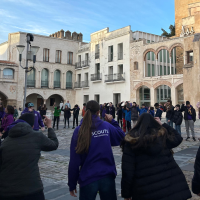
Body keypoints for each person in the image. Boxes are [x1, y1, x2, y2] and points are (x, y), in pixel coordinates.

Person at [121, 113, 192, 200]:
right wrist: (163, 125)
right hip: (170, 185)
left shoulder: (131, 142)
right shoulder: (162, 138)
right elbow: (177, 137)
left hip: (146, 189)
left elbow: (127, 171)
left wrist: (126, 193)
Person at [68, 100, 125, 200]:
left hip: (88, 176)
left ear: (85, 110)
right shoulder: (106, 126)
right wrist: (113, 122)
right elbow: (121, 136)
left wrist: (72, 183)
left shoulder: (79, 130)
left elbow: (74, 160)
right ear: (98, 112)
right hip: (107, 175)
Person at [0, 113, 59, 200]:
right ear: (32, 126)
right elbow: (54, 144)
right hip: (32, 189)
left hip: (7, 191)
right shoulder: (36, 136)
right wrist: (49, 126)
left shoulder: (5, 142)